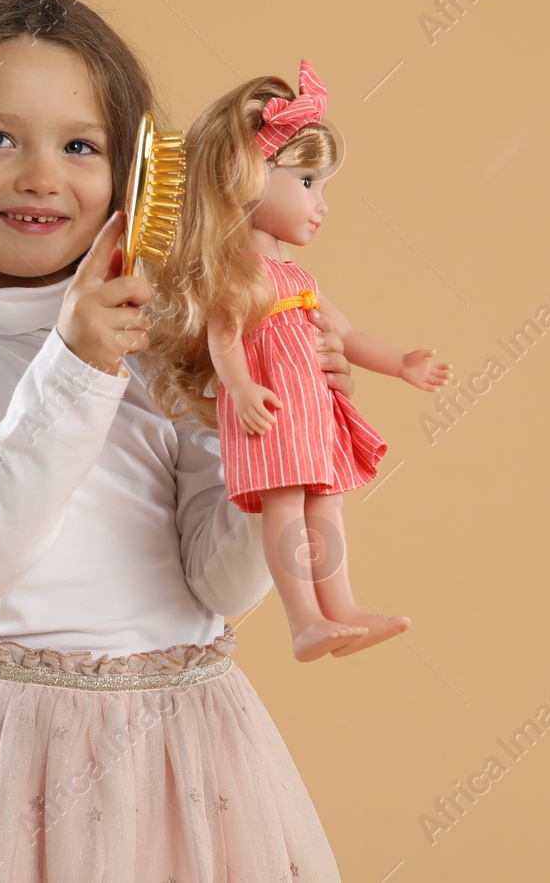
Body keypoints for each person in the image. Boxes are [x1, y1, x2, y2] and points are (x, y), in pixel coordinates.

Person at [0, 0, 345, 881]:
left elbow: (220, 582)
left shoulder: (168, 346)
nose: (41, 175)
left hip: (187, 752)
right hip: (12, 764)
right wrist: (74, 363)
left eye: (80, 145)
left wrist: (277, 422)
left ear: (134, 179)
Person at [140, 61, 450, 664]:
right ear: (246, 175)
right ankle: (304, 619)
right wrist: (242, 389)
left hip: (310, 412)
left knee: (325, 501)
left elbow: (346, 334)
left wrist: (401, 363)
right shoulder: (236, 273)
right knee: (285, 504)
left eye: (323, 185)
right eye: (308, 181)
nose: (322, 204)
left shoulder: (295, 275)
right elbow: (223, 335)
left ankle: (344, 606)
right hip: (271, 409)